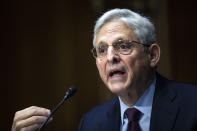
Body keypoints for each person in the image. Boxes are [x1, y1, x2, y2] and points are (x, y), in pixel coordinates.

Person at [11, 9, 197, 131]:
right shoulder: (91, 123)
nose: (110, 57)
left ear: (152, 55)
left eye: (123, 46)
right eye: (102, 50)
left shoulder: (192, 105)